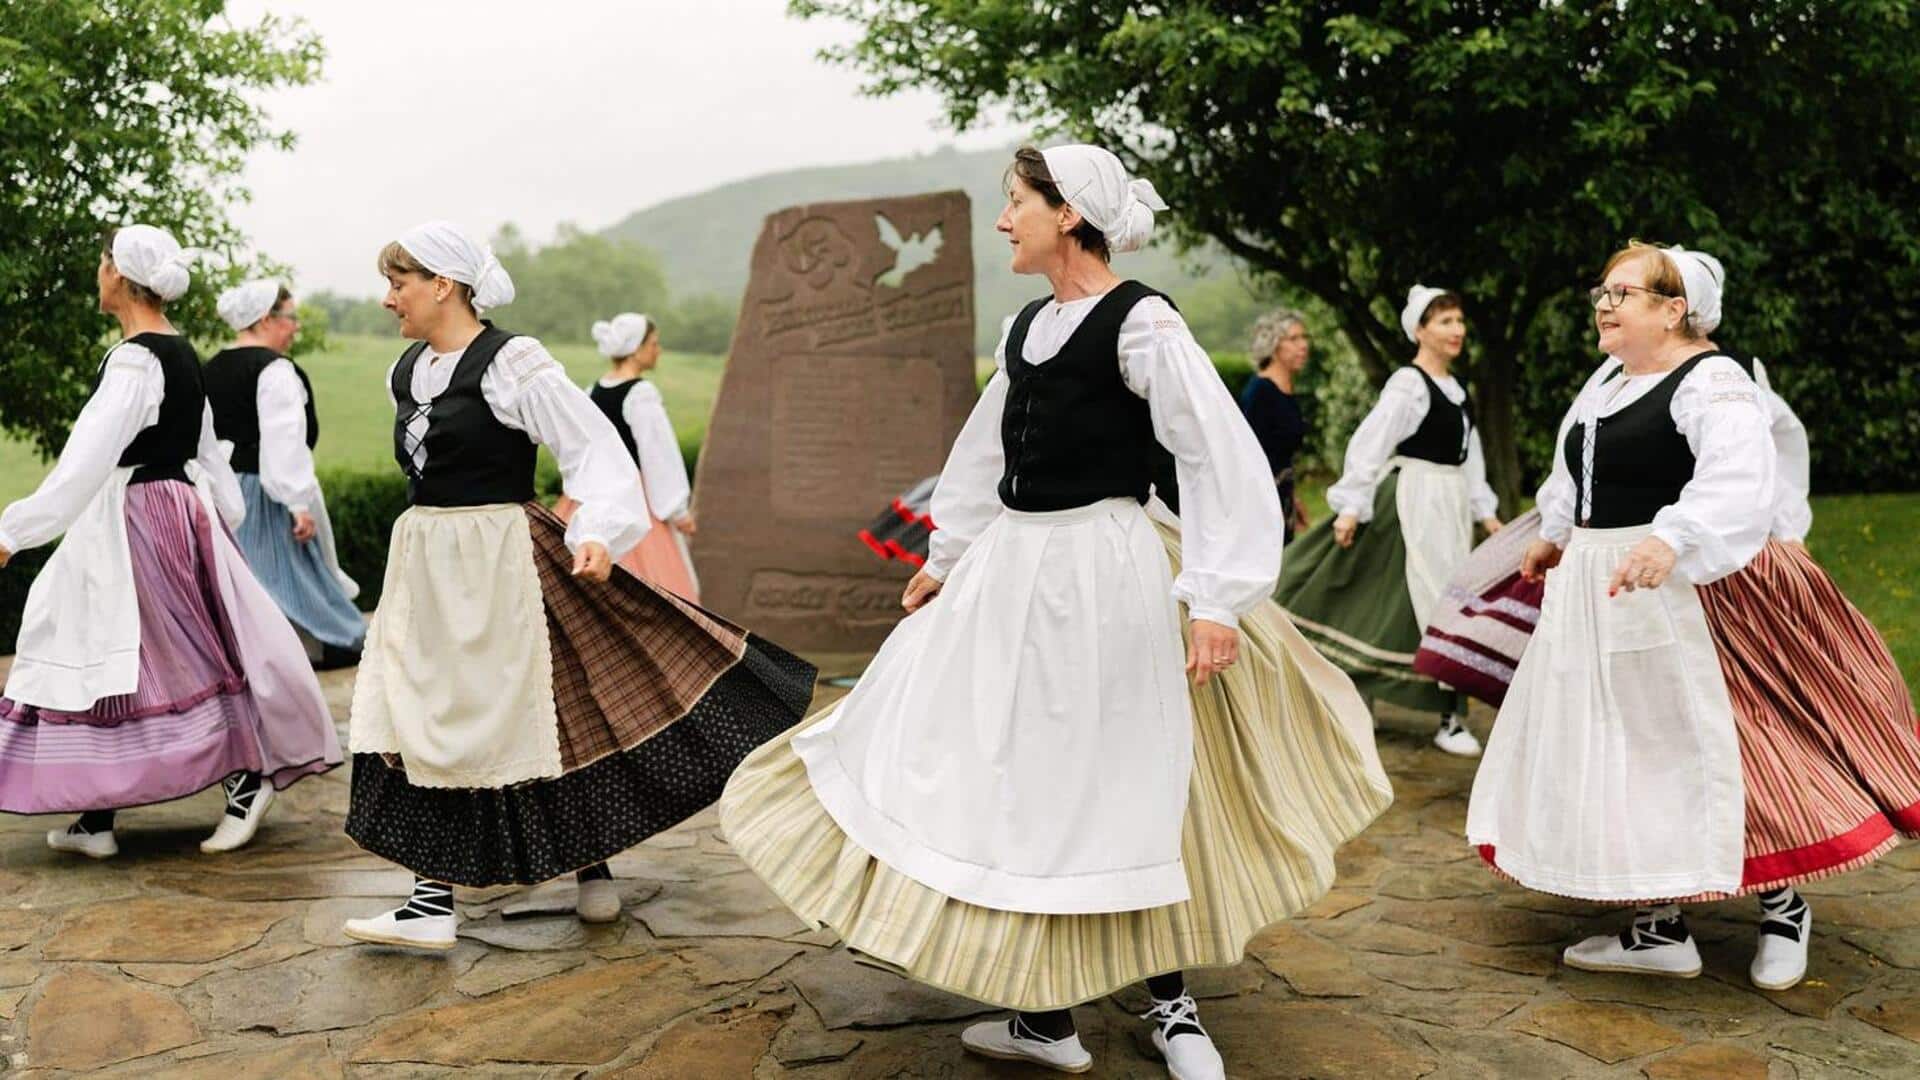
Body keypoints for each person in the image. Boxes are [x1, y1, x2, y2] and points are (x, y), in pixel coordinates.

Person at [722, 146, 1391, 1080]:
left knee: (1130, 778)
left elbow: (1214, 457)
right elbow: (982, 449)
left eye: (1018, 204)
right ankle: (1046, 1018)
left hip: (1105, 568)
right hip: (1014, 572)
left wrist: (1216, 599)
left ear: (1068, 214)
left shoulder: (1142, 323)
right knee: (1022, 779)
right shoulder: (1027, 328)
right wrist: (944, 558)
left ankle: (1172, 1004)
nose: (1006, 221)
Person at [340, 223, 814, 949]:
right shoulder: (404, 370)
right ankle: (429, 899)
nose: (387, 299)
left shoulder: (512, 362)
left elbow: (592, 448)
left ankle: (593, 861)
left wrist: (595, 529)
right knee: (418, 708)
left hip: (500, 553)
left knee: (551, 706)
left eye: (398, 282)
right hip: (424, 558)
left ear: (443, 284)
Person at [1467, 242, 1920, 992]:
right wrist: (1554, 535)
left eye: (1624, 292)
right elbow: (1572, 467)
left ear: (1675, 309)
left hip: (1692, 596)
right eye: (1602, 291)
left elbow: (1741, 473)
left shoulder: (1713, 382)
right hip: (1603, 592)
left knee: (1732, 747)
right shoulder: (1609, 379)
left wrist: (1672, 538)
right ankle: (1660, 927)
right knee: (1627, 752)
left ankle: (1783, 907)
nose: (1604, 305)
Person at [0, 226, 339, 857]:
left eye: (101, 263)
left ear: (121, 277)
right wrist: (221, 520)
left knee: (163, 651)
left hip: (138, 514)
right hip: (175, 507)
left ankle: (246, 778)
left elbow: (87, 460)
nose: (96, 274)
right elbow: (209, 451)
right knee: (109, 647)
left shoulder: (134, 361)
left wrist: (13, 532)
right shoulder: (179, 352)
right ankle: (96, 818)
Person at [1272, 286, 1503, 757]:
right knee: (1388, 598)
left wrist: (1487, 513)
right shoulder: (1409, 384)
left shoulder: (1458, 392)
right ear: (1420, 330)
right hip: (1411, 502)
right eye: (1445, 322)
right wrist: (1353, 503)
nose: (1456, 330)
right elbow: (1371, 441)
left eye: (1459, 321)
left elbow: (1469, 457)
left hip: (1448, 504)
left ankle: (1448, 715)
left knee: (1443, 601)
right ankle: (1381, 699)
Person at [205, 280, 366, 668]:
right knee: (288, 576)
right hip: (266, 492)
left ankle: (258, 652)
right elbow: (283, 440)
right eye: (290, 318)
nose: (296, 327)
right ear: (265, 319)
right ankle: (331, 643)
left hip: (220, 492)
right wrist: (297, 502)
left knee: (245, 579)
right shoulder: (275, 371)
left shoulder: (210, 368)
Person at [551, 312, 699, 601]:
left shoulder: (592, 391)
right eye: (654, 343)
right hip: (632, 499)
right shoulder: (641, 393)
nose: (658, 350)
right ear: (637, 349)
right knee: (652, 590)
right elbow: (658, 457)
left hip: (588, 496)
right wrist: (678, 510)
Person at [1238, 309, 1312, 540]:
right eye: (1293, 339)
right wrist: (1267, 507)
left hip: (1282, 497)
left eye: (1304, 337)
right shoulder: (1260, 392)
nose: (1303, 345)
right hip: (1261, 506)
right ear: (1273, 345)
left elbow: (1282, 455)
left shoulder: (1286, 388)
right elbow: (1246, 455)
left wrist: (1293, 498)